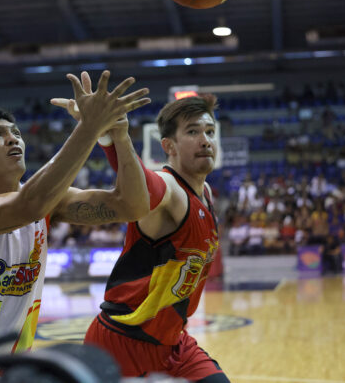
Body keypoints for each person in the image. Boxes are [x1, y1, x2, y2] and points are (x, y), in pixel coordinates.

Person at [0, 70, 151, 383]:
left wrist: (115, 135)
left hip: (5, 369)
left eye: (16, 132)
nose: (13, 138)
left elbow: (133, 206)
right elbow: (27, 207)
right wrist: (89, 127)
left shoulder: (45, 201)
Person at [54, 80, 229, 381]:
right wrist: (116, 138)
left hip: (174, 344)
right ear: (168, 146)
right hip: (122, 342)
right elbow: (142, 190)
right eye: (193, 132)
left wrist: (109, 139)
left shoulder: (207, 193)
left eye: (210, 132)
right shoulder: (171, 188)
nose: (205, 140)